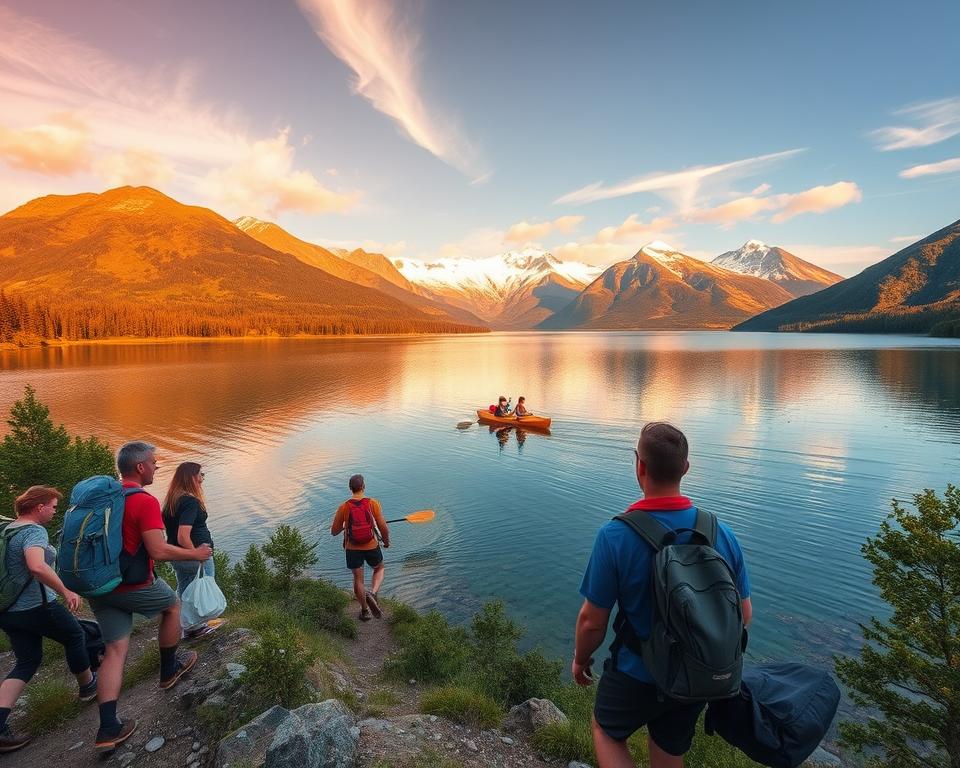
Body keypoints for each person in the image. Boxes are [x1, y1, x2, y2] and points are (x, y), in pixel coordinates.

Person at [572, 422, 752, 768]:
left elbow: (592, 621)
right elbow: (744, 615)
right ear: (686, 468)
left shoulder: (615, 535)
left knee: (607, 732)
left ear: (638, 465)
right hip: (694, 676)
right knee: (669, 750)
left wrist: (581, 659)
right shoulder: (721, 533)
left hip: (635, 673)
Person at [87, 441, 212, 752]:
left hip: (100, 586)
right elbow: (158, 550)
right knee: (172, 605)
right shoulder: (142, 500)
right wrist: (193, 553)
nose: (157, 467)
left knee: (115, 650)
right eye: (154, 463)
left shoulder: (105, 498)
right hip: (132, 582)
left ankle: (107, 728)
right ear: (140, 467)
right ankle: (169, 669)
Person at [0, 486, 98, 754]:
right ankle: (89, 686)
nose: (55, 512)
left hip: (7, 611)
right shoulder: (34, 531)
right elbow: (36, 565)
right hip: (37, 606)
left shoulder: (8, 529)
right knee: (75, 636)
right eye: (53, 507)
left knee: (27, 661)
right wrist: (66, 591)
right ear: (39, 506)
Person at [162, 462, 226, 640]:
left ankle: (185, 626)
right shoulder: (190, 501)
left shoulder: (172, 501)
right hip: (193, 555)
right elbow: (183, 535)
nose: (202, 478)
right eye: (200, 474)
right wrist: (196, 555)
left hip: (177, 555)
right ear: (191, 477)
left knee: (185, 590)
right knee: (202, 589)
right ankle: (196, 627)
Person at [330, 474, 390, 622]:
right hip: (371, 545)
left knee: (358, 579)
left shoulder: (343, 507)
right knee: (379, 568)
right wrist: (386, 541)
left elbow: (334, 532)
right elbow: (383, 526)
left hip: (352, 547)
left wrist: (345, 525)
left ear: (350, 489)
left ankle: (364, 611)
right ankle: (373, 592)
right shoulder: (373, 503)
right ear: (363, 487)